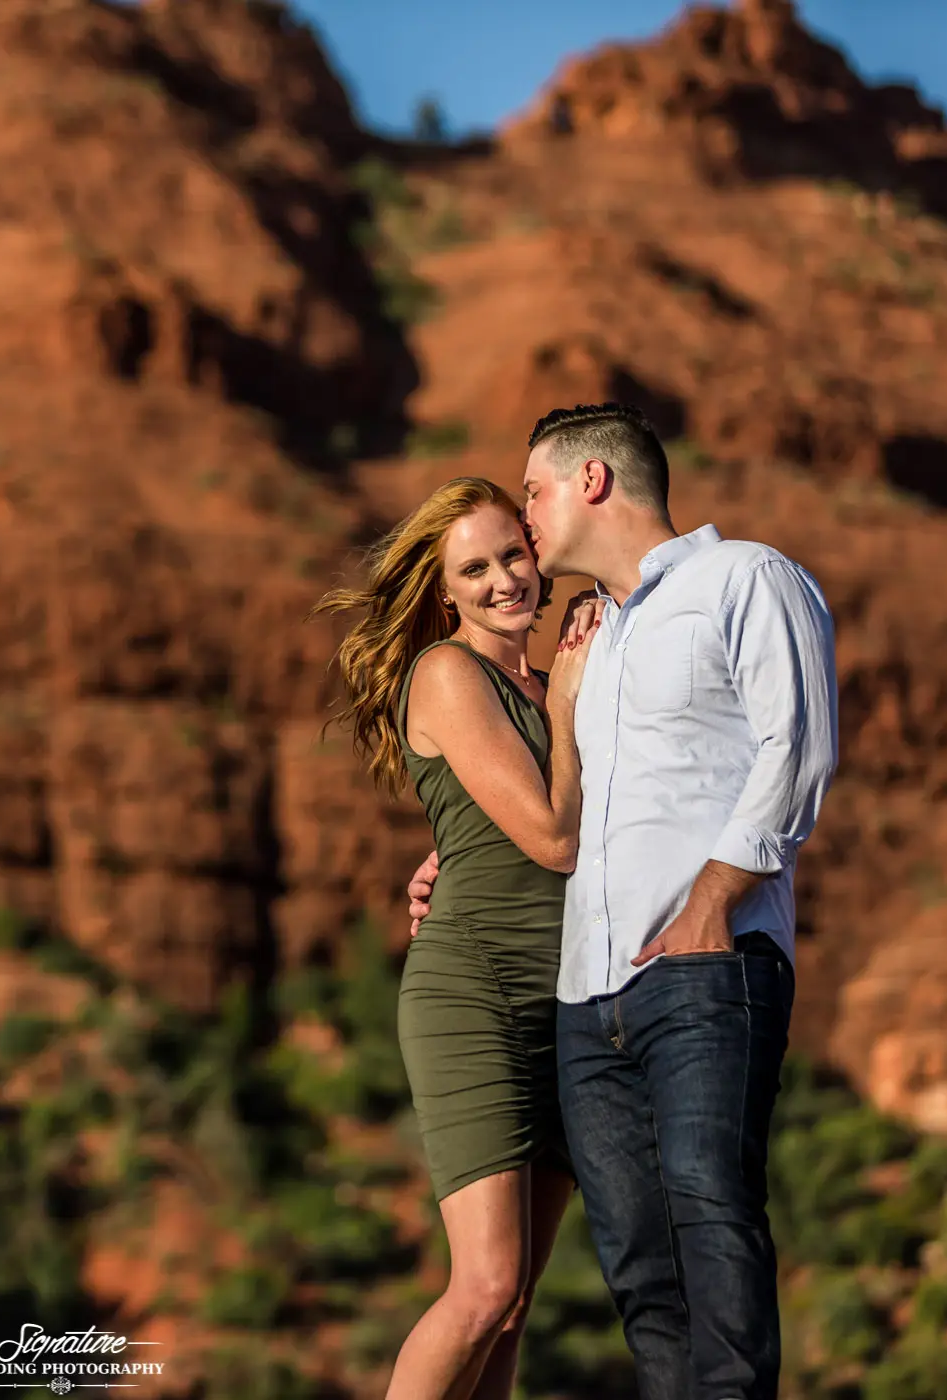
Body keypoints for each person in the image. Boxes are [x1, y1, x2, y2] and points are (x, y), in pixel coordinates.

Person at [403, 404, 840, 1399]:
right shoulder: (590, 641)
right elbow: (571, 803)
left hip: (700, 968)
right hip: (581, 1002)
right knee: (638, 1267)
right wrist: (445, 859)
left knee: (707, 1204)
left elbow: (800, 748)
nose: (524, 526)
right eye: (479, 562)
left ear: (592, 482)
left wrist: (711, 904)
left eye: (532, 494)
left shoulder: (746, 579)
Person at [313, 476, 603, 1400]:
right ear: (444, 590)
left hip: (569, 1004)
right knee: (481, 1288)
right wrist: (566, 708)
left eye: (512, 554)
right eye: (473, 569)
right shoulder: (449, 673)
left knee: (516, 1301)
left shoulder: (556, 677)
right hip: (474, 989)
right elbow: (556, 839)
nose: (501, 580)